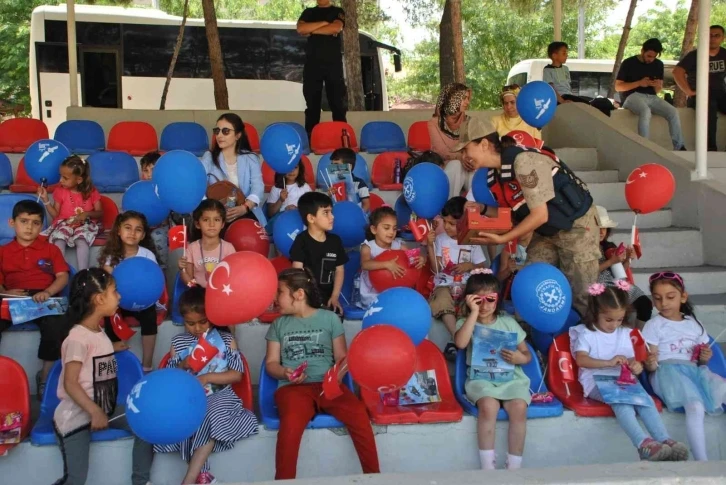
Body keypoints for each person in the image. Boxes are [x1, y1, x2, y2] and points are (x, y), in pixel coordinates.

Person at [456, 117, 599, 317]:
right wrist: (482, 209)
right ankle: (532, 334)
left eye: (466, 149)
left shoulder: (523, 161)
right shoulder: (494, 175)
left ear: (484, 144)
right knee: (531, 289)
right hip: (545, 232)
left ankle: (586, 336)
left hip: (576, 227)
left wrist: (504, 239)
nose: (464, 156)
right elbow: (513, 213)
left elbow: (540, 215)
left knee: (582, 295)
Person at [265, 268, 380, 479]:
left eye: (280, 292)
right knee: (290, 426)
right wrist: (284, 372)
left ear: (299, 294)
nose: (275, 298)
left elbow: (342, 358)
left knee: (358, 414)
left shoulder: (330, 319)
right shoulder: (278, 324)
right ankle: (283, 480)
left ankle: (374, 477)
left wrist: (336, 376)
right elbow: (271, 363)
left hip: (328, 385)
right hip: (292, 389)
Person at [52, 268, 153, 485]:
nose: (120, 296)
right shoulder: (77, 338)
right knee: (75, 479)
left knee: (146, 425)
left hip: (105, 409)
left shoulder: (98, 331)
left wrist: (112, 347)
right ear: (99, 299)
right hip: (76, 417)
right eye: (115, 291)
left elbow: (93, 354)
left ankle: (141, 481)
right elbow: (70, 383)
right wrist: (95, 412)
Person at [570, 283, 688, 462]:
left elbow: (635, 359)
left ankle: (664, 439)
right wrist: (608, 362)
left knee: (646, 401)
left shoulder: (626, 333)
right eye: (609, 320)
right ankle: (643, 444)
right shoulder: (587, 334)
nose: (614, 325)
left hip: (624, 381)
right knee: (623, 403)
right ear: (595, 313)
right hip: (596, 382)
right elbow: (581, 360)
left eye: (619, 319)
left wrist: (637, 365)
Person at [155, 286, 258, 484]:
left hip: (220, 396)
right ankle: (201, 475)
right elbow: (169, 378)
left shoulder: (226, 340)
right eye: (190, 323)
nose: (197, 328)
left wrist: (207, 377)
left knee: (208, 415)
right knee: (188, 418)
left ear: (211, 316)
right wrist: (182, 365)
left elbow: (236, 375)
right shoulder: (178, 342)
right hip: (188, 398)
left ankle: (189, 479)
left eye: (202, 321)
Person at [643, 272, 726, 461]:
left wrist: (704, 358)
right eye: (658, 298)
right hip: (667, 373)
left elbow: (701, 360)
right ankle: (702, 461)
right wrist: (650, 364)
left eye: (670, 297)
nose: (664, 303)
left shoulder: (694, 324)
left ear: (683, 297)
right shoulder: (654, 325)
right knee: (695, 407)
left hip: (695, 372)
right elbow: (651, 364)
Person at [454, 270, 531, 470]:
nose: (484, 305)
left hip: (511, 378)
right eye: (478, 300)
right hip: (482, 379)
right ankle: (488, 467)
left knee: (519, 407)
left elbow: (527, 354)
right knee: (488, 406)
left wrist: (520, 358)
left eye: (490, 299)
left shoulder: (509, 322)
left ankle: (514, 466)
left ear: (497, 300)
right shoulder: (465, 323)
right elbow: (460, 343)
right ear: (469, 300)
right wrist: (473, 313)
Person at [0, 200, 70, 400]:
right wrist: (6, 292)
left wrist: (48, 292)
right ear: (12, 223)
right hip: (12, 297)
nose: (29, 227)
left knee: (56, 324)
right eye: (24, 221)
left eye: (35, 223)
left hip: (42, 297)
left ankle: (45, 377)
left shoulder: (51, 249)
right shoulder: (3, 251)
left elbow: (62, 276)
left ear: (41, 226)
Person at [97, 211, 160, 372]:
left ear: (143, 235)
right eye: (127, 227)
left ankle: (147, 365)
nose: (132, 233)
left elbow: (153, 281)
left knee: (149, 315)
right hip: (117, 301)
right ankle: (112, 364)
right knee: (109, 315)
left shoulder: (147, 255)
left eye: (138, 229)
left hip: (142, 301)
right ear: (118, 230)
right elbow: (105, 284)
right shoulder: (111, 256)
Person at [428, 196, 488, 341]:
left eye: (452, 223)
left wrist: (470, 266)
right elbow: (436, 269)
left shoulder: (472, 241)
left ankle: (467, 335)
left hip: (466, 285)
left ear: (464, 223)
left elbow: (482, 266)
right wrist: (430, 245)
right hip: (445, 284)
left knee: (471, 301)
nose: (447, 226)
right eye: (445, 221)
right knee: (441, 299)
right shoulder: (441, 240)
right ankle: (456, 334)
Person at [616, 38, 686, 150]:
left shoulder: (658, 64)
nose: (651, 59)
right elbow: (618, 87)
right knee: (645, 111)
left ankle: (679, 146)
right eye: (649, 56)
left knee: (673, 112)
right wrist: (639, 83)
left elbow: (657, 91)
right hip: (632, 96)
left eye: (654, 57)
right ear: (642, 51)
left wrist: (657, 86)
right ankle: (645, 146)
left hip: (652, 97)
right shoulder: (629, 62)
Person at [201, 113, 266, 227]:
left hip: (246, 212)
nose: (219, 135)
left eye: (225, 131)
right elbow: (198, 186)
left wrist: (245, 207)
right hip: (216, 217)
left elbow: (258, 187)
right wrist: (212, 211)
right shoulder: (209, 157)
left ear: (238, 135)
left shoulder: (251, 158)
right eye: (217, 131)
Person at [38, 155, 102, 270]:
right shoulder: (60, 191)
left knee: (81, 241)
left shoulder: (92, 191)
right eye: (60, 176)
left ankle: (83, 273)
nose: (60, 180)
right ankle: (60, 271)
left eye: (65, 178)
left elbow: (100, 213)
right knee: (59, 240)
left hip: (85, 224)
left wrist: (87, 214)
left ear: (79, 180)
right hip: (64, 223)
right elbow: (55, 215)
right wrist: (46, 200)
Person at [290, 192, 348, 314]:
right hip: (306, 300)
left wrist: (335, 297)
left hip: (328, 300)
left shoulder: (335, 241)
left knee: (337, 317)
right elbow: (297, 273)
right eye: (326, 213)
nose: (332, 217)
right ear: (311, 218)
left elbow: (339, 270)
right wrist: (304, 301)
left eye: (331, 212)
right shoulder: (301, 240)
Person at [358, 206, 426, 309]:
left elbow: (414, 258)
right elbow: (365, 264)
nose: (391, 232)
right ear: (374, 229)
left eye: (394, 228)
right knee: (387, 305)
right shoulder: (368, 247)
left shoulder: (399, 245)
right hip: (373, 292)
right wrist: (387, 264)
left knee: (406, 303)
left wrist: (421, 259)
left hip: (396, 289)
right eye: (386, 228)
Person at [297, 0, 347, 139]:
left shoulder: (337, 11)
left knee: (337, 105)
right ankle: (311, 140)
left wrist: (311, 30)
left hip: (333, 66)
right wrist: (324, 23)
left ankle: (341, 140)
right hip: (312, 66)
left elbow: (335, 28)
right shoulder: (308, 12)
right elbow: (300, 29)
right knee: (312, 107)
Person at [596, 206, 653, 328]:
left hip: (618, 284)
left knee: (645, 303)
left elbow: (620, 271)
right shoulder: (585, 249)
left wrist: (627, 259)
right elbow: (589, 272)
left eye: (604, 228)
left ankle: (639, 335)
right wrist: (611, 261)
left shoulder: (608, 246)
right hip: (600, 287)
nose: (601, 232)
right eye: (598, 228)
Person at [674, 25, 726, 151]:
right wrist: (688, 91)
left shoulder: (724, 54)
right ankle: (710, 150)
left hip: (720, 93)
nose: (713, 38)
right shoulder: (695, 55)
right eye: (710, 35)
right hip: (700, 95)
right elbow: (677, 72)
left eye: (717, 35)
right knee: (709, 110)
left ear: (723, 38)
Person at [428, 83, 475, 198]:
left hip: (466, 164)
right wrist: (461, 157)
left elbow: (470, 146)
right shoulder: (433, 123)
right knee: (456, 165)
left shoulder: (468, 122)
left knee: (475, 168)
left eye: (468, 98)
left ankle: (476, 206)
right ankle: (448, 206)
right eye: (463, 98)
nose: (467, 102)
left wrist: (466, 158)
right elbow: (441, 151)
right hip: (445, 166)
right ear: (452, 99)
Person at [179, 200, 236, 288]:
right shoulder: (192, 248)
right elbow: (189, 281)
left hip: (222, 292)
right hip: (198, 293)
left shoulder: (229, 249)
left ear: (222, 224)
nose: (212, 224)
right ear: (197, 224)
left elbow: (233, 278)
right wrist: (182, 270)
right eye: (206, 220)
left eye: (216, 220)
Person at [139, 150, 170, 270]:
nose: (149, 174)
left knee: (157, 236)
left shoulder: (166, 189)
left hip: (162, 226)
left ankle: (163, 268)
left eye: (153, 170)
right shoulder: (140, 190)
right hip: (144, 226)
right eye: (146, 171)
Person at [266, 158, 312, 235]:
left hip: (300, 219)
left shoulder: (305, 187)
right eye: (289, 168)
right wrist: (280, 200)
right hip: (282, 222)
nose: (292, 171)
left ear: (300, 169)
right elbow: (270, 213)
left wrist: (297, 209)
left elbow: (311, 207)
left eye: (295, 167)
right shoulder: (276, 189)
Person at [329, 148, 370, 213]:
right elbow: (331, 205)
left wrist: (359, 215)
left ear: (349, 167)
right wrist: (330, 195)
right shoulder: (333, 184)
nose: (333, 168)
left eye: (337, 165)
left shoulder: (359, 183)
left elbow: (366, 204)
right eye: (332, 165)